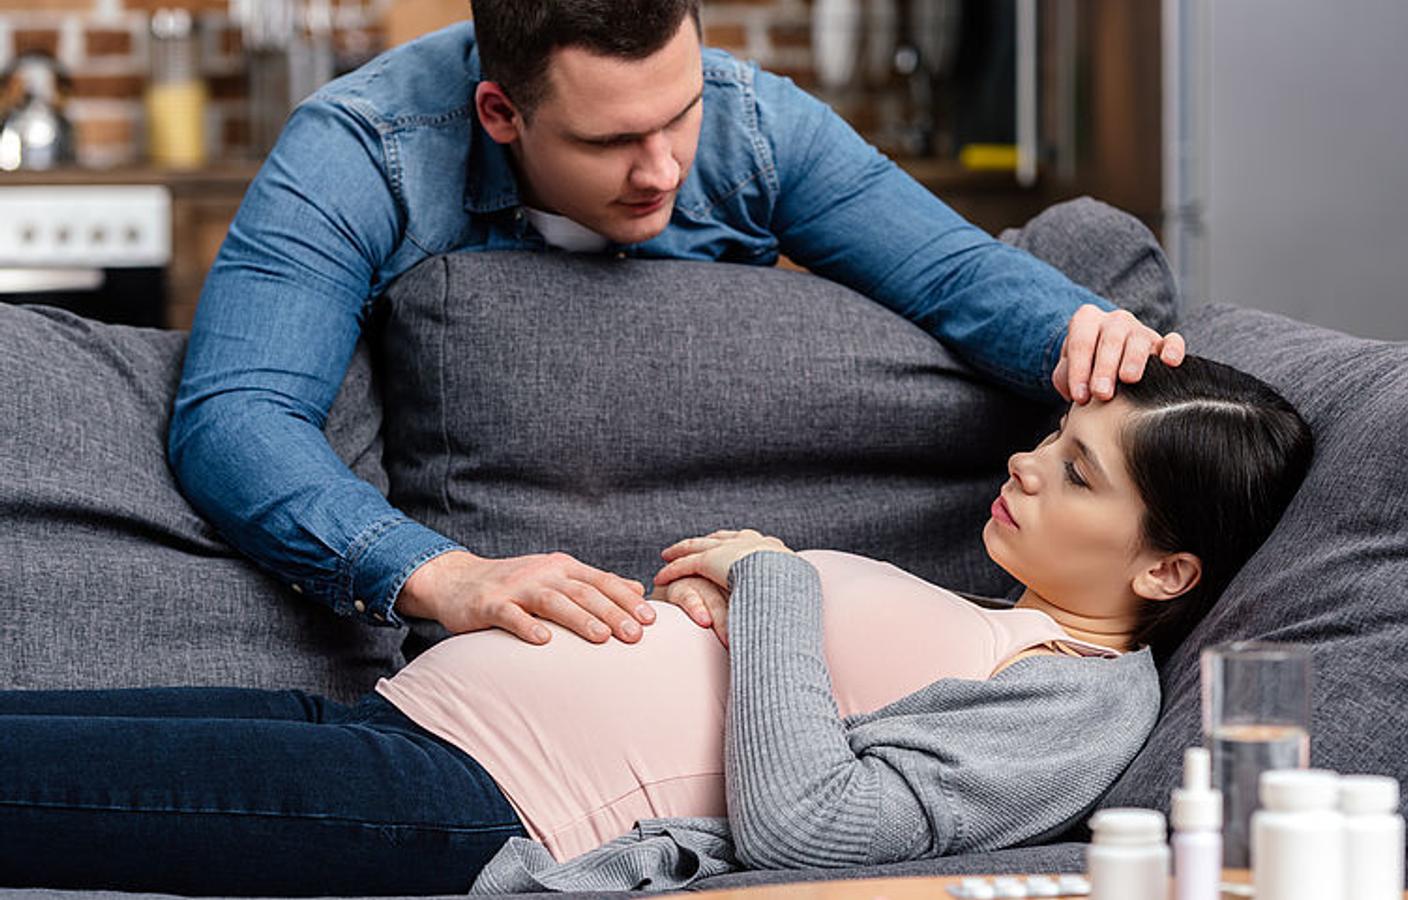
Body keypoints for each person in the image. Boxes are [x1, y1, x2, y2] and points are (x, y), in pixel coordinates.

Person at [2, 357, 1312, 896]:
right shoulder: (1000, 614)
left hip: (465, 803)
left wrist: (776, 589)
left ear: (1166, 568)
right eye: (1049, 438)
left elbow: (816, 822)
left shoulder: (1081, 702)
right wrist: (735, 620)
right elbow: (800, 709)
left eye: (1079, 473)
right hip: (397, 729)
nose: (1027, 466)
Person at [167, 0, 1186, 651]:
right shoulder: (363, 149)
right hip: (485, 605)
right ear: (498, 113)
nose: (662, 168)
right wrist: (444, 575)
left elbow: (955, 273)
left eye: (679, 113)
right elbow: (236, 415)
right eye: (611, 140)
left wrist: (1080, 335)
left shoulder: (750, 119)